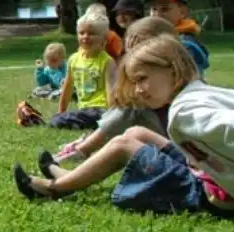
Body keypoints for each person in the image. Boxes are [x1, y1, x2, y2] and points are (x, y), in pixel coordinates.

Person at [12, 35, 234, 218]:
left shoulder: (184, 112)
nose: (138, 90)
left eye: (142, 79)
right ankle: (69, 175)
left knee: (123, 144)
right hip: (203, 173)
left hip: (209, 193)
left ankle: (54, 188)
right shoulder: (203, 92)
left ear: (174, 71)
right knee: (136, 133)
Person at [48, 17, 178, 168]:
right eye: (130, 51)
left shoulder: (171, 72)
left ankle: (83, 149)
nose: (133, 57)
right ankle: (86, 147)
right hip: (154, 128)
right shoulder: (75, 59)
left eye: (137, 50)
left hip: (170, 136)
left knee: (129, 108)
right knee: (128, 108)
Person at [48, 11, 117, 130]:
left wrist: (113, 118)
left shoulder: (107, 61)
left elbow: (111, 92)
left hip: (101, 109)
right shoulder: (74, 59)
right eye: (82, 33)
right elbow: (67, 88)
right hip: (84, 109)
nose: (85, 36)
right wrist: (61, 112)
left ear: (103, 39)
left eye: (92, 33)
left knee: (59, 121)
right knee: (58, 118)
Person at [145, 0, 209, 75]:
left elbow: (188, 78)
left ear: (182, 12)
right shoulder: (152, 37)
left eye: (165, 9)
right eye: (154, 9)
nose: (157, 14)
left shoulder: (185, 43)